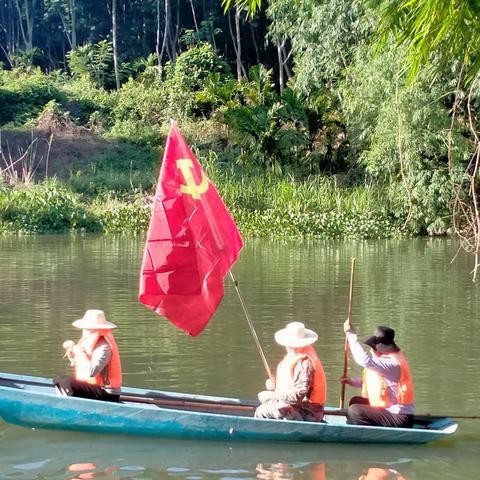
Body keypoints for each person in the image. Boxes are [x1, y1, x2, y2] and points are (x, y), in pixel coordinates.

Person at [341, 320, 414, 428]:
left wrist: (351, 334)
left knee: (354, 411)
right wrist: (352, 381)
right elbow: (374, 382)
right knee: (355, 401)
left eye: (373, 347)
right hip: (387, 410)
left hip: (399, 417)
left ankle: (362, 431)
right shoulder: (386, 358)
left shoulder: (392, 362)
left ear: (381, 349)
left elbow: (364, 360)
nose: (371, 350)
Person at [255, 321, 326, 421]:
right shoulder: (295, 355)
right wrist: (274, 384)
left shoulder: (304, 363)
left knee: (262, 411)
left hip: (307, 413)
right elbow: (290, 383)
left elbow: (298, 395)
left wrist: (273, 395)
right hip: (297, 408)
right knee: (267, 404)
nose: (290, 346)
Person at [54, 309, 122, 402]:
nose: (84, 330)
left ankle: (69, 402)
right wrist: (73, 353)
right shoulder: (90, 341)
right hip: (95, 388)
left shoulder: (104, 347)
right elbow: (81, 362)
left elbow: (92, 372)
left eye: (86, 328)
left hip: (107, 393)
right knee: (58, 380)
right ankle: (67, 399)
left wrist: (79, 351)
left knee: (67, 382)